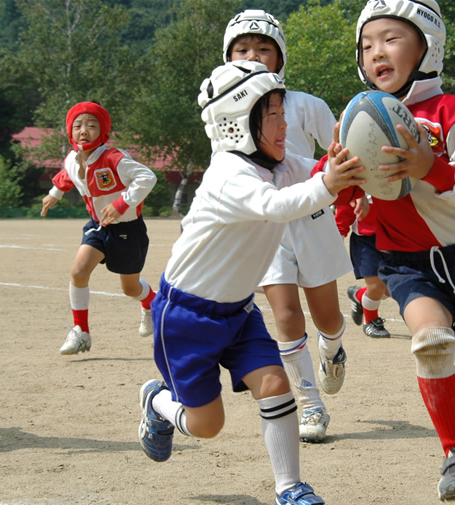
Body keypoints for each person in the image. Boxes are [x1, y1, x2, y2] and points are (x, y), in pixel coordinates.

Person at [315, 1, 455, 500]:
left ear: (427, 47)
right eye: (367, 44)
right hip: (406, 263)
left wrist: (429, 166)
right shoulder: (356, 115)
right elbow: (336, 185)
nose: (376, 52)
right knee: (431, 342)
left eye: (391, 39)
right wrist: (335, 177)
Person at [137, 61, 363, 505]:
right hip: (186, 317)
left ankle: (289, 488)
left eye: (284, 112)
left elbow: (315, 171)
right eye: (273, 115)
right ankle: (156, 403)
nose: (286, 123)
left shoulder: (277, 164)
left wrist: (347, 164)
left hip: (238, 311)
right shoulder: (228, 173)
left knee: (276, 384)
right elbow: (278, 206)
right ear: (238, 123)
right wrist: (329, 183)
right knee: (207, 426)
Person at [223, 9, 351, 443]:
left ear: (280, 57)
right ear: (228, 57)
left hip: (312, 218)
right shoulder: (224, 111)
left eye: (264, 48)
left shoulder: (306, 105)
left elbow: (339, 150)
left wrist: (356, 192)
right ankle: (312, 404)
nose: (253, 56)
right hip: (265, 225)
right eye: (243, 49)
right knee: (286, 315)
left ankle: (333, 349)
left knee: (327, 318)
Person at [40, 101, 157, 355]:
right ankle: (81, 332)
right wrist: (53, 194)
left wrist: (121, 203)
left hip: (127, 230)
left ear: (103, 132)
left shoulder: (114, 157)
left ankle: (152, 304)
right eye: (78, 125)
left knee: (130, 289)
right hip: (97, 227)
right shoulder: (72, 158)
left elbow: (147, 177)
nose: (84, 130)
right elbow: (66, 176)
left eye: (92, 125)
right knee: (79, 271)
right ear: (69, 131)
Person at [335, 196, 392, 338]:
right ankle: (371, 321)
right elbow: (345, 211)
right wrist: (339, 237)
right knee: (376, 287)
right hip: (366, 241)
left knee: (392, 289)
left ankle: (359, 296)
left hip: (392, 238)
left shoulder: (395, 179)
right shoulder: (358, 184)